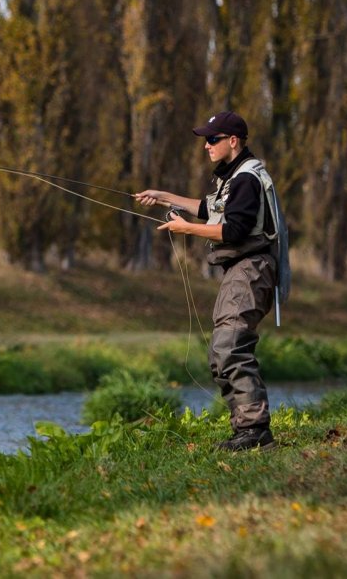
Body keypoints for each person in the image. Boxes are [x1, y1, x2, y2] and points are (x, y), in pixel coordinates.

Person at [135, 110, 287, 451]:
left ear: (233, 141)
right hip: (241, 271)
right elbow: (210, 209)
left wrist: (185, 229)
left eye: (212, 139)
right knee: (222, 350)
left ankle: (255, 431)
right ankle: (247, 429)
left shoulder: (246, 179)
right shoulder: (235, 177)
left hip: (251, 270)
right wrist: (164, 196)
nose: (206, 145)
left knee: (230, 347)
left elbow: (234, 230)